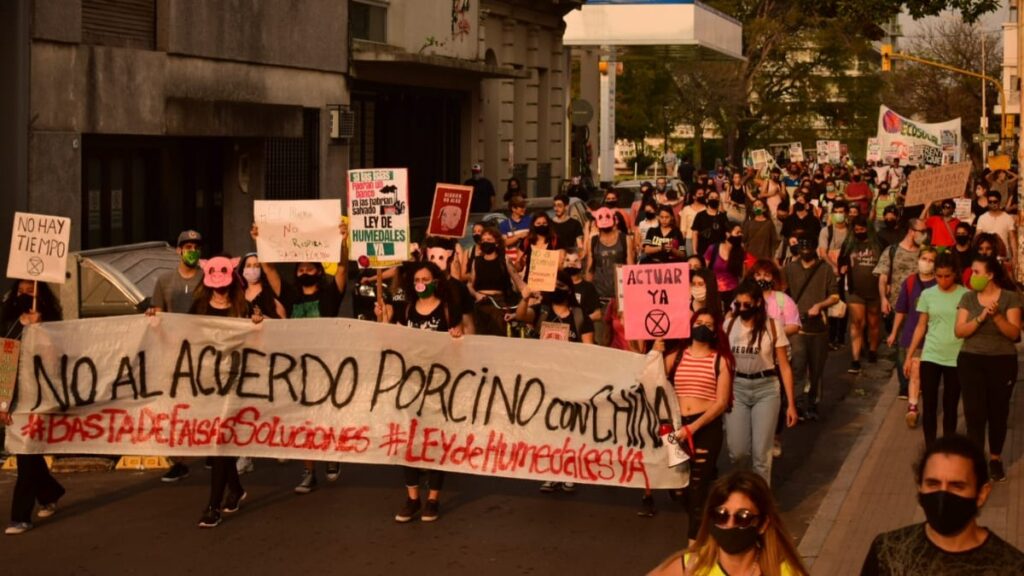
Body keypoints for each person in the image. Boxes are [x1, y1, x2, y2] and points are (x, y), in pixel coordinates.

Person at [257, 224, 349, 493]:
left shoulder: (330, 295)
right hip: (298, 368)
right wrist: (261, 238)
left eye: (310, 268)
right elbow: (270, 270)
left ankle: (331, 456)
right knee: (305, 420)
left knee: (327, 415)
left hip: (328, 367)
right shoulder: (290, 295)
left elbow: (342, 270)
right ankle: (309, 471)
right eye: (301, 269)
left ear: (319, 272)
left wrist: (342, 243)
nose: (305, 272)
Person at [376, 261, 464, 523]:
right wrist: (384, 319)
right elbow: (393, 342)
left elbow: (460, 348)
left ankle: (433, 499)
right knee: (408, 439)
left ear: (436, 281)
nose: (421, 283)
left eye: (426, 278)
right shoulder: (405, 311)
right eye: (417, 279)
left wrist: (458, 337)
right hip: (410, 386)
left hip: (438, 386)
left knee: (435, 440)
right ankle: (413, 498)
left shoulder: (448, 310)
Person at [861, 435, 1024, 575]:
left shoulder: (1012, 567)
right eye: (933, 484)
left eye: (957, 486)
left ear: (982, 494)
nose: (943, 495)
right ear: (920, 487)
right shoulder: (887, 553)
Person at [190, 256, 262, 528]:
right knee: (220, 441)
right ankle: (236, 489)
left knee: (220, 441)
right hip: (207, 382)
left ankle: (212, 506)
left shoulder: (243, 306)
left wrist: (257, 324)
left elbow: (258, 343)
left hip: (235, 382)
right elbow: (183, 335)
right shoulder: (198, 307)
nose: (219, 289)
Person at [651, 311, 734, 533]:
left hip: (705, 427)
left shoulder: (721, 360)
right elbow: (651, 380)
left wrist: (693, 428)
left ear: (716, 331)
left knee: (698, 487)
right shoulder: (676, 356)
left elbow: (722, 402)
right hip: (674, 427)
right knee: (677, 488)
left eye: (709, 324)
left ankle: (695, 546)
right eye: (699, 322)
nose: (703, 327)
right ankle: (705, 524)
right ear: (690, 326)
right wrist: (655, 352)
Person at [649, 470, 808, 576]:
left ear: (763, 524)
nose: (730, 524)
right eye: (721, 515)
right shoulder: (690, 567)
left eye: (743, 517)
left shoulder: (784, 572)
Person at [1, 280, 65, 535]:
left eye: (32, 290)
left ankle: (20, 516)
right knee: (26, 451)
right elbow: (6, 361)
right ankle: (50, 491)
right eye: (21, 290)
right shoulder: (9, 322)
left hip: (40, 397)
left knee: (26, 454)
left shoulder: (51, 323)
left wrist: (41, 331)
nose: (26, 294)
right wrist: (3, 402)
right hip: (16, 398)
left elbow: (56, 360)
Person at [953, 255, 1022, 483]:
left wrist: (998, 317)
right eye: (971, 271)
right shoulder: (968, 298)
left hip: (1001, 361)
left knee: (998, 412)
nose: (972, 276)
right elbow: (960, 331)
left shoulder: (1010, 298)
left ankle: (995, 458)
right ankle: (976, 463)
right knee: (974, 413)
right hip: (971, 359)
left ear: (990, 275)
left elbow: (1014, 334)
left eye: (976, 272)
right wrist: (982, 317)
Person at [723, 280, 798, 484]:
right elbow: (721, 362)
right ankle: (743, 486)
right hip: (737, 388)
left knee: (761, 455)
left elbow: (784, 366)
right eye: (738, 304)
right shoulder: (729, 325)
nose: (742, 309)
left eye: (746, 304)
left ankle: (760, 499)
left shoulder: (772, 326)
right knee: (737, 451)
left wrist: (791, 404)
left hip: (766, 389)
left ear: (757, 303)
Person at [149, 229, 204, 483]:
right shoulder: (164, 281)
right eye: (187, 246)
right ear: (179, 250)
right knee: (176, 406)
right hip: (173, 352)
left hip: (202, 350)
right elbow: (158, 311)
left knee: (203, 401)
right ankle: (178, 460)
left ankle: (211, 451)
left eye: (196, 246)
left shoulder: (208, 278)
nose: (192, 251)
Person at [904, 252, 966, 447]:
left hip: (956, 357)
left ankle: (947, 445)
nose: (943, 280)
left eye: (947, 276)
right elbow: (921, 326)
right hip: (930, 355)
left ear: (955, 274)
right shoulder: (927, 294)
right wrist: (910, 355)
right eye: (939, 276)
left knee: (950, 405)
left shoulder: (966, 295)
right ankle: (930, 447)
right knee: (929, 405)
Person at [783, 237, 839, 421]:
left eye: (808, 246)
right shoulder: (790, 268)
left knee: (816, 369)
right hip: (797, 328)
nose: (805, 250)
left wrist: (820, 305)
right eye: (802, 247)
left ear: (815, 248)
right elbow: (783, 292)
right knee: (798, 366)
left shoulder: (825, 269)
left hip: (819, 328)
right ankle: (798, 403)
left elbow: (835, 296)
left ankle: (813, 403)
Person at [888, 246, 937, 414]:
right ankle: (913, 406)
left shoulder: (939, 283)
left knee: (924, 373)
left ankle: (917, 400)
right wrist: (894, 332)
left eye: (931, 260)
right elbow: (901, 309)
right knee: (914, 371)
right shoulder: (909, 282)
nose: (927, 263)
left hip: (932, 337)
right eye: (924, 259)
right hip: (911, 334)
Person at [586, 207, 634, 343]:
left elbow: (630, 267)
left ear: (615, 221)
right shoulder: (593, 241)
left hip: (620, 298)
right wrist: (587, 296)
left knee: (622, 339)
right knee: (602, 339)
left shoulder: (625, 239)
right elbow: (590, 269)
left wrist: (630, 295)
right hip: (600, 297)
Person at [841, 217, 883, 373]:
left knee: (873, 322)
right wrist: (843, 267)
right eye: (856, 230)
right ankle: (855, 358)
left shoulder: (879, 243)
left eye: (862, 229)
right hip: (854, 291)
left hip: (875, 290)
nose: (859, 232)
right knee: (857, 322)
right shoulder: (849, 244)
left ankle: (872, 350)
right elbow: (841, 261)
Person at [467, 225, 517, 337]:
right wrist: (476, 294)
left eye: (489, 240)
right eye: (483, 240)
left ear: (497, 243)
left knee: (499, 336)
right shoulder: (477, 261)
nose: (485, 242)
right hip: (481, 303)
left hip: (499, 304)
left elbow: (517, 281)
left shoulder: (504, 260)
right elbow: (470, 284)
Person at [705, 224, 755, 308]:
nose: (740, 235)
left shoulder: (741, 252)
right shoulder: (713, 248)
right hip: (714, 291)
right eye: (737, 232)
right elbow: (706, 271)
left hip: (733, 292)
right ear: (727, 234)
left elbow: (743, 275)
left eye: (741, 233)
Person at [974, 190, 1017, 273]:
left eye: (995, 202)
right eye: (990, 202)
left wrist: (1014, 257)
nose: (992, 204)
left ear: (999, 202)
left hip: (1003, 258)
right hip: (986, 258)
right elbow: (977, 238)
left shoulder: (1008, 218)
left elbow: (1012, 239)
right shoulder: (982, 218)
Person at [691, 190, 730, 257]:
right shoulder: (700, 215)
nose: (714, 199)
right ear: (707, 200)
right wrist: (694, 251)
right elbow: (695, 234)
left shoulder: (723, 216)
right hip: (703, 251)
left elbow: (728, 234)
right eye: (711, 197)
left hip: (719, 251)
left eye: (716, 198)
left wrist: (727, 249)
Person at [679, 184, 707, 255]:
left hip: (704, 239)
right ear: (694, 196)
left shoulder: (707, 209)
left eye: (703, 194)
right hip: (690, 239)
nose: (702, 196)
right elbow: (683, 228)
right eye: (699, 194)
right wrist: (682, 243)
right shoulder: (686, 209)